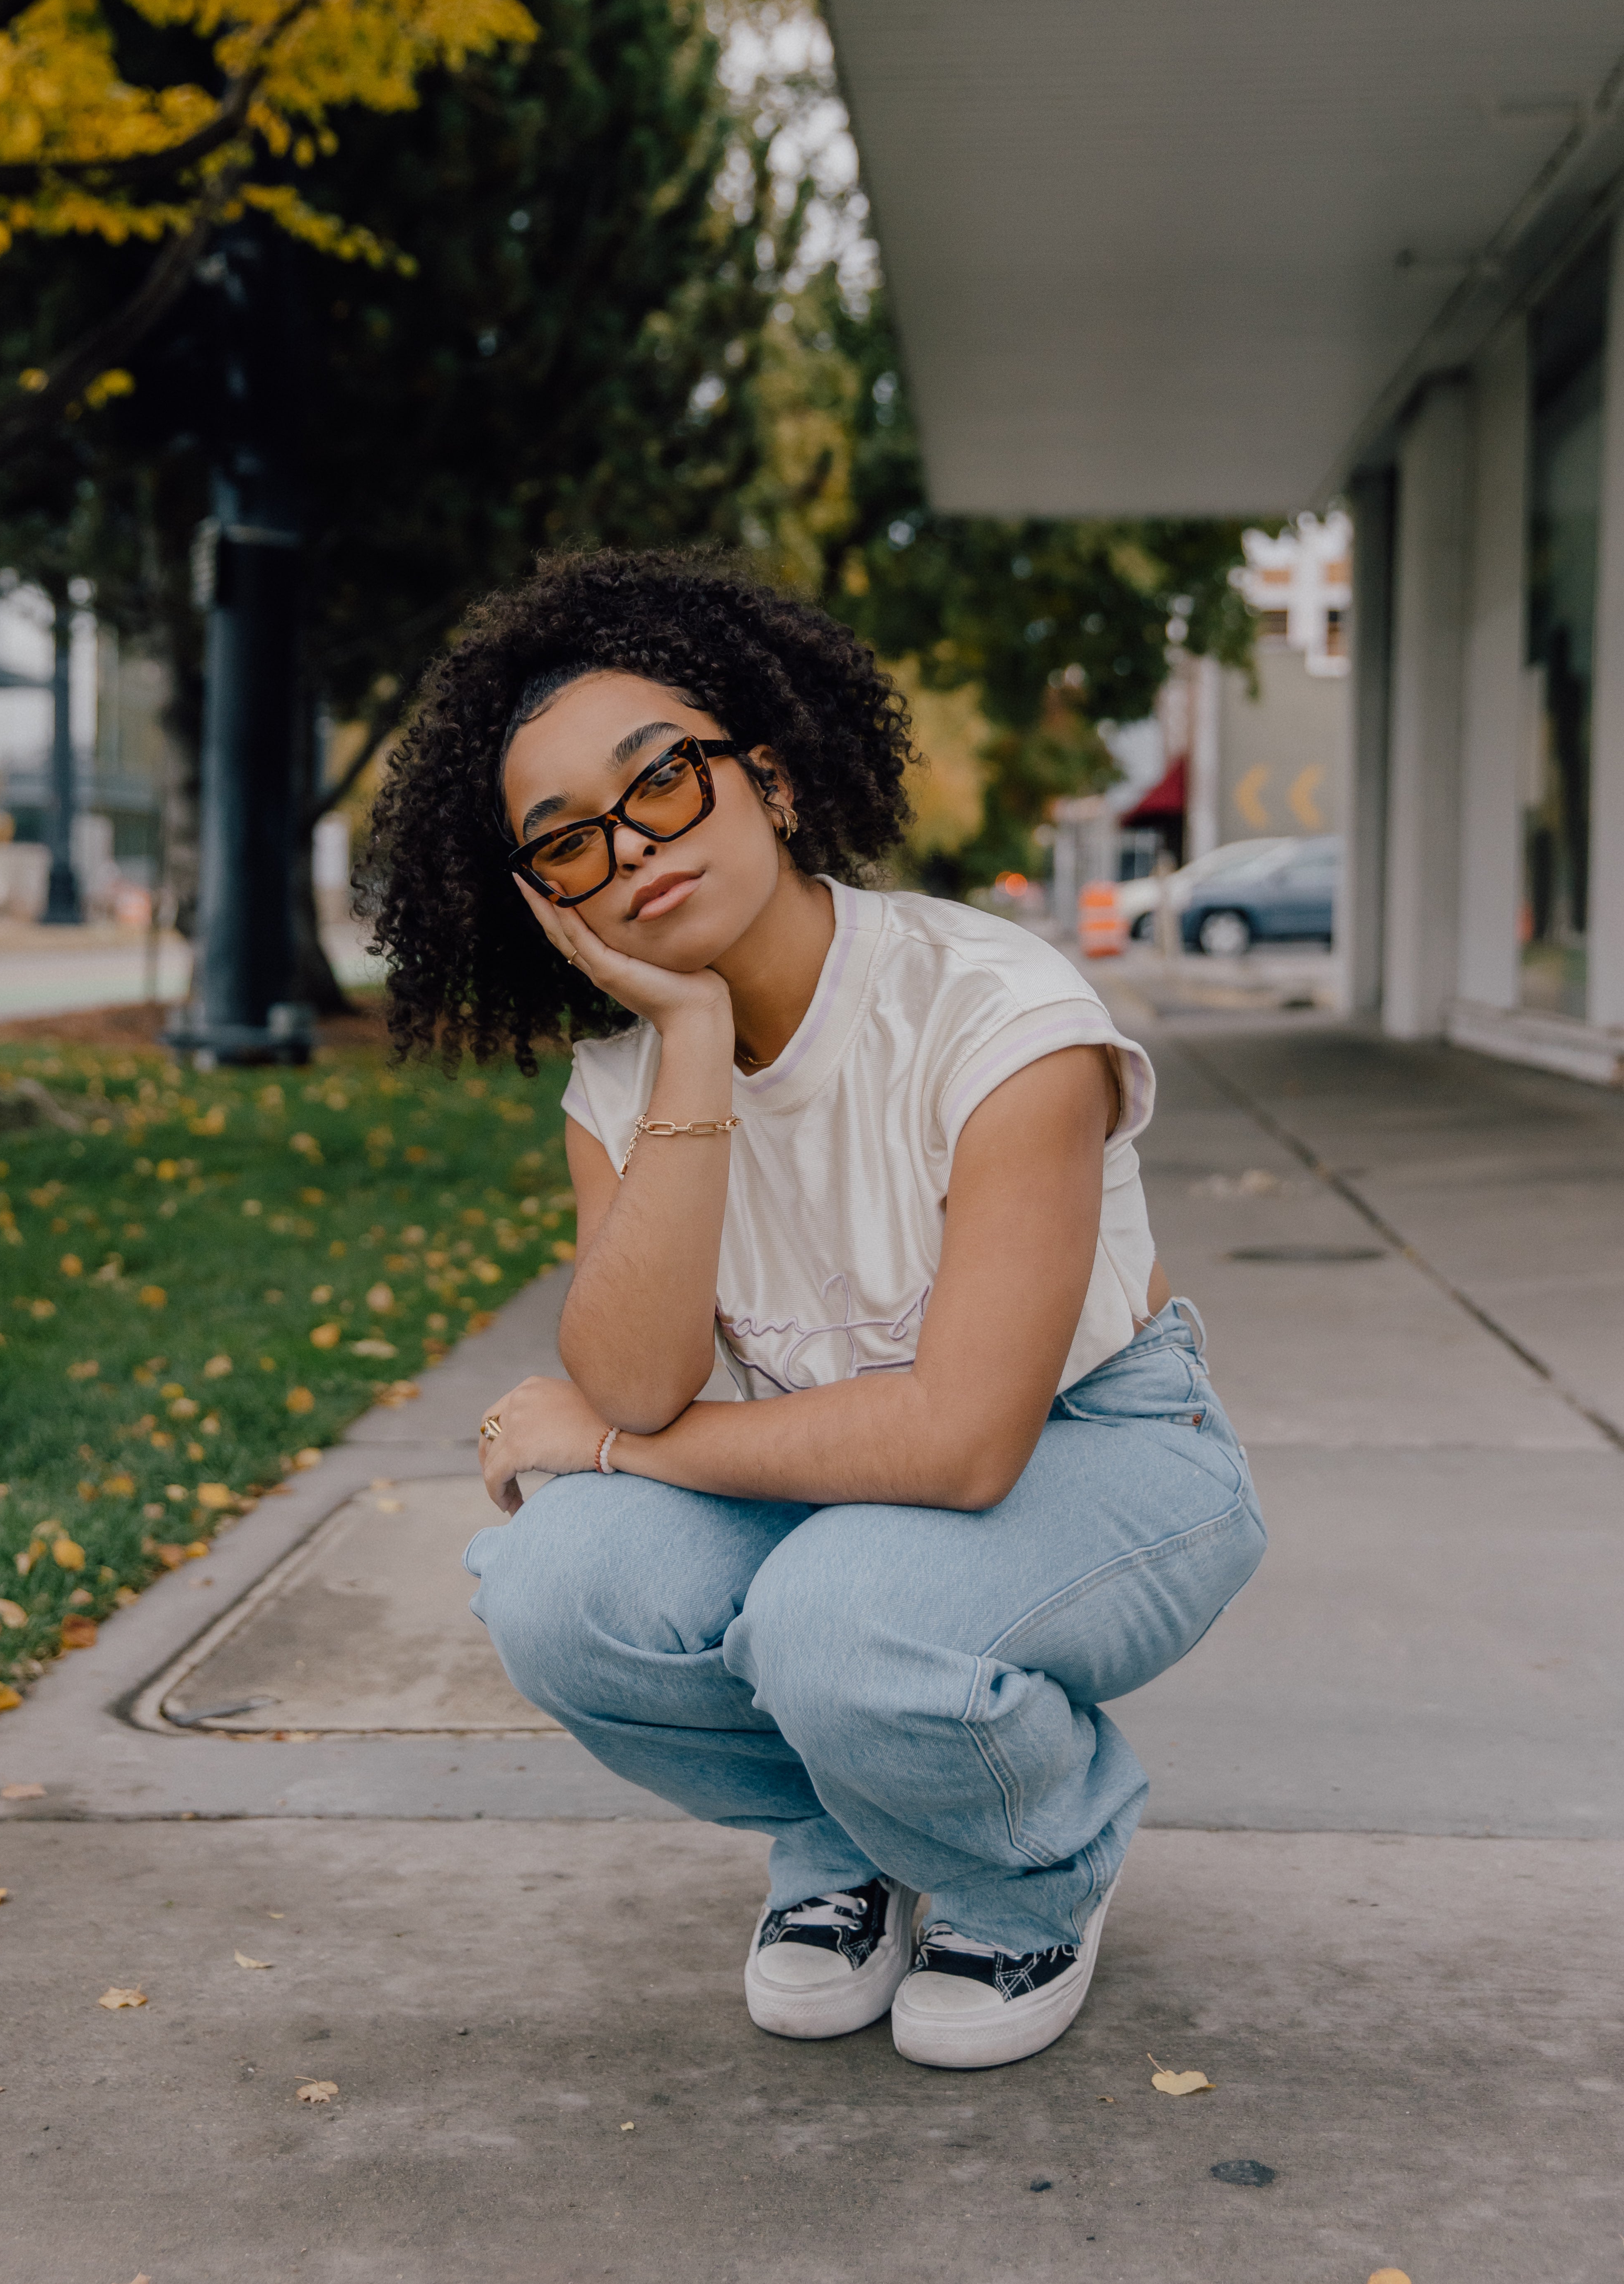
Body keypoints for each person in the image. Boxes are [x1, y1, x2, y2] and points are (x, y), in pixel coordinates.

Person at [368, 550, 1266, 2071]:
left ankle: (1036, 1859)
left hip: (1103, 1451)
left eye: (662, 782)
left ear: (769, 779)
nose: (631, 847)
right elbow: (638, 1376)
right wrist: (695, 1041)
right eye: (570, 842)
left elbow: (967, 1443)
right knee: (552, 1590)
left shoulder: (998, 1014)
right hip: (825, 1475)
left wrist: (616, 1449)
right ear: (543, 898)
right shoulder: (620, 1080)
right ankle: (845, 1833)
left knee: (831, 1613)